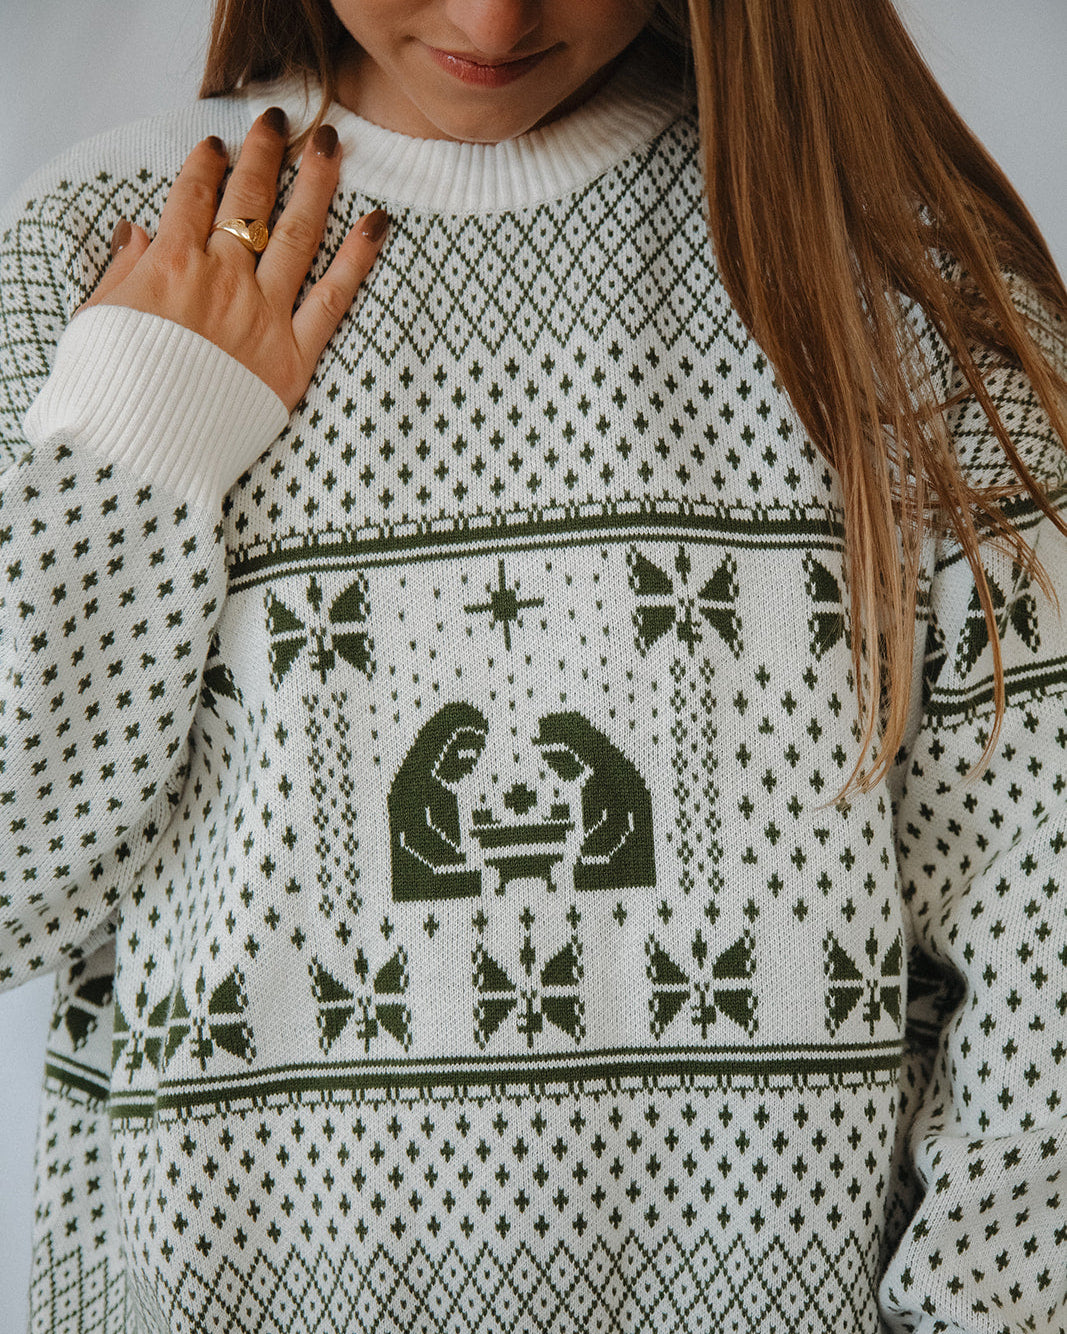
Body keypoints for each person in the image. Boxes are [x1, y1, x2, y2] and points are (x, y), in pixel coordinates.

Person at [1, 1, 1065, 1330]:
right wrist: (139, 441)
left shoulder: (905, 294)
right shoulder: (108, 254)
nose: (493, 15)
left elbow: (1045, 933)